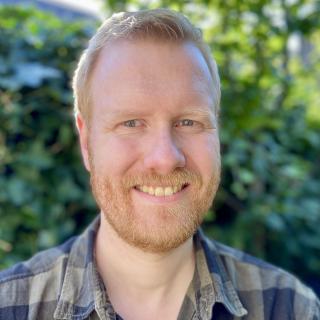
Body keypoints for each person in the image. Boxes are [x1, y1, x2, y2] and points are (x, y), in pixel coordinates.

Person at [0, 8, 319, 320]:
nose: (165, 159)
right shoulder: (11, 307)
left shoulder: (290, 307)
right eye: (131, 123)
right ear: (86, 142)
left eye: (189, 122)